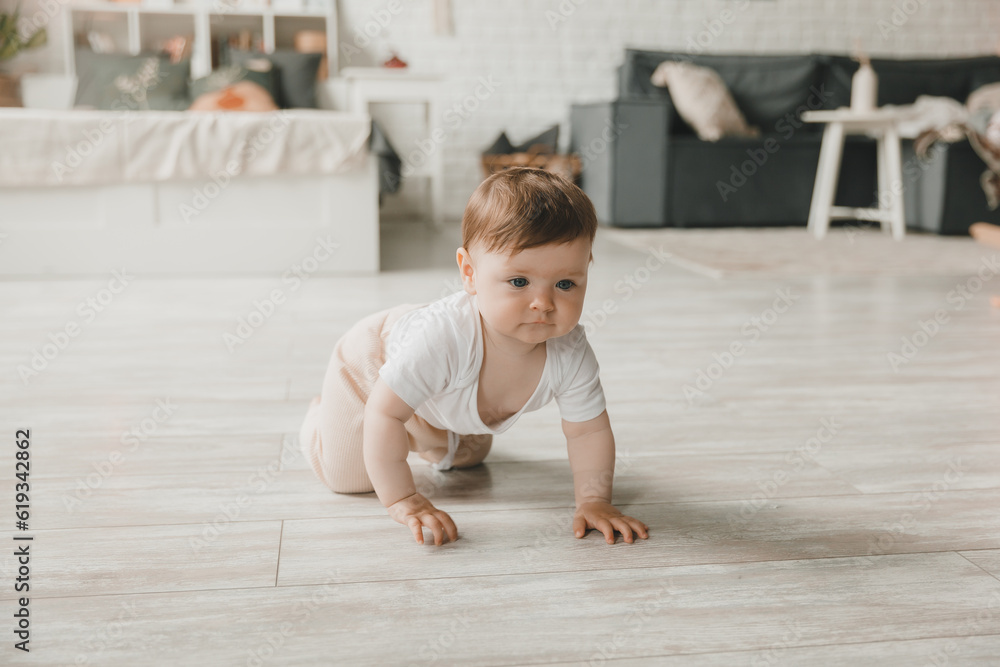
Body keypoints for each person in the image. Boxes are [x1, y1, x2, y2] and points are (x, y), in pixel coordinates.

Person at [299, 167, 649, 547]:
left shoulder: (571, 350)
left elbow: (588, 431)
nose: (544, 303)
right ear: (469, 273)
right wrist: (403, 498)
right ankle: (322, 416)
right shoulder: (441, 339)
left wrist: (595, 501)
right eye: (519, 282)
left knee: (468, 457)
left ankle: (424, 429)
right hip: (370, 369)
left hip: (441, 396)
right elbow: (384, 413)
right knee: (349, 478)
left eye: (566, 284)